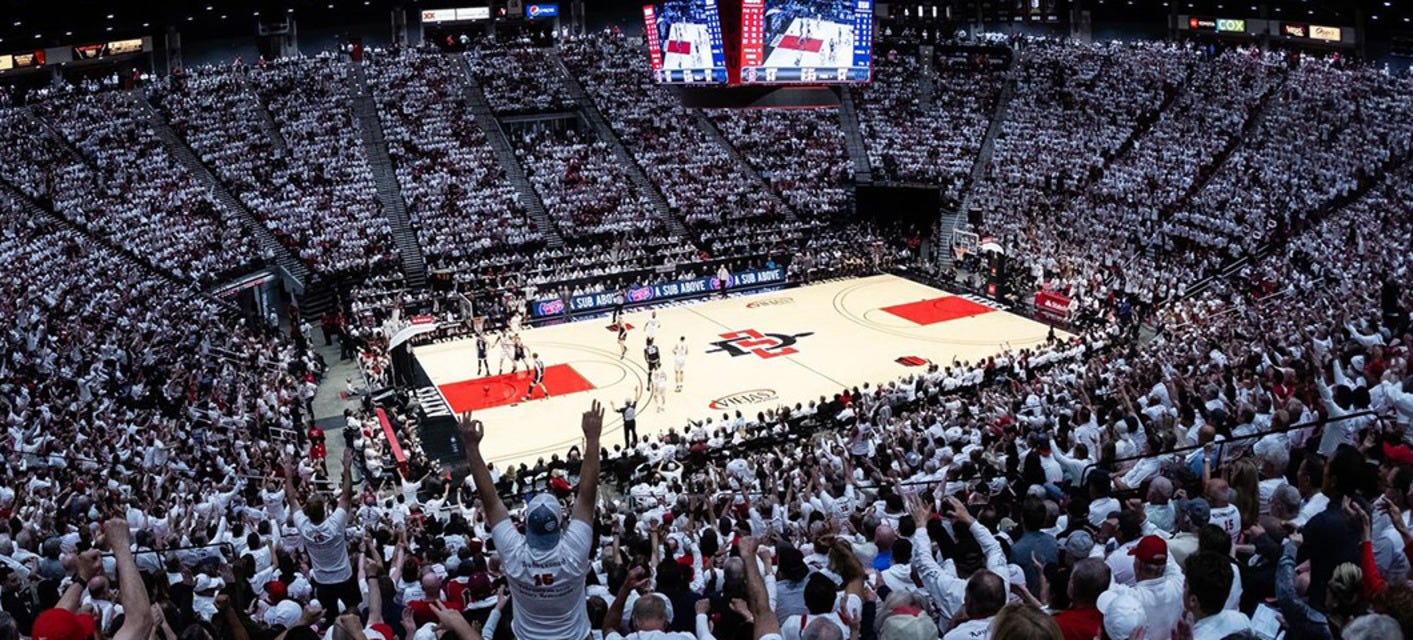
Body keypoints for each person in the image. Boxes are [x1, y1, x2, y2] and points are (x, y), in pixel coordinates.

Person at [457, 402, 603, 640]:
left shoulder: (514, 553)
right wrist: (593, 438)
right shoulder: (574, 551)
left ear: (524, 523)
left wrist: (471, 446)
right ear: (561, 522)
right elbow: (586, 496)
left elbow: (491, 500)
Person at [285, 447, 358, 619]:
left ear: (307, 513)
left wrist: (288, 476)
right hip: (344, 577)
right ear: (325, 510)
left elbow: (291, 499)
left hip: (323, 581)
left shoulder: (304, 527)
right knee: (353, 611)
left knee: (330, 616)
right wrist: (347, 469)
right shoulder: (335, 524)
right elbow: (346, 495)